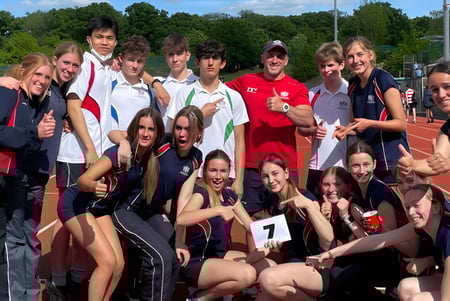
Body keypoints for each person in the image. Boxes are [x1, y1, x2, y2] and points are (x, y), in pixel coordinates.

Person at [57, 107, 164, 301]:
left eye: (151, 129)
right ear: (134, 129)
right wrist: (92, 186)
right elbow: (83, 180)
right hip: (76, 204)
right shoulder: (119, 153)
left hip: (99, 210)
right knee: (106, 261)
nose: (145, 133)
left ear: (157, 134)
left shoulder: (147, 158)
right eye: (141, 127)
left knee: (118, 265)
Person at [109, 105, 204, 300]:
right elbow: (114, 133)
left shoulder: (195, 158)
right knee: (160, 256)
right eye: (178, 128)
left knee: (174, 258)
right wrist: (124, 143)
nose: (182, 134)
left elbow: (184, 201)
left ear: (199, 133)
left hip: (151, 213)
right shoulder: (163, 141)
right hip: (126, 209)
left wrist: (179, 240)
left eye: (188, 129)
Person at [53, 15, 119, 291]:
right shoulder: (87, 65)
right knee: (66, 218)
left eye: (110, 37)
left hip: (94, 157)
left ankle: (79, 271)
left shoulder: (107, 68)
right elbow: (74, 105)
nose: (104, 42)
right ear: (89, 40)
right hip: (75, 155)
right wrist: (91, 149)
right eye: (99, 37)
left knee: (84, 214)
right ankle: (57, 276)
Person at [316, 183, 450, 301]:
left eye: (416, 205)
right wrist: (330, 254)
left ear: (436, 207)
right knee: (405, 287)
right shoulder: (422, 226)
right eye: (407, 207)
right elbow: (376, 240)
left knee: (417, 299)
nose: (411, 212)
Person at [226, 40, 314, 216]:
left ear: (286, 60)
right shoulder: (246, 81)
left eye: (280, 56)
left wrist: (285, 107)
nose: (275, 60)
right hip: (252, 168)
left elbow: (307, 121)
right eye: (270, 55)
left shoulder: (297, 87)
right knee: (253, 220)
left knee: (289, 220)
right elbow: (216, 90)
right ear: (262, 58)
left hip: (284, 167)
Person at [0, 53, 56, 300]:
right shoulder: (9, 93)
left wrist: (39, 134)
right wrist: (34, 133)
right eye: (38, 74)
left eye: (47, 77)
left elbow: (23, 141)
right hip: (3, 179)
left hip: (14, 180)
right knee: (6, 246)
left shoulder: (31, 102)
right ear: (24, 71)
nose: (43, 81)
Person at [177, 149, 264, 301]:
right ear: (204, 171)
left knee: (267, 265)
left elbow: (251, 226)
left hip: (221, 256)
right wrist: (217, 210)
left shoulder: (230, 196)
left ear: (229, 172)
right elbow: (182, 219)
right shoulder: (200, 194)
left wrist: (274, 236)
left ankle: (225, 292)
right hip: (198, 261)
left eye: (223, 171)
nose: (218, 177)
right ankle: (199, 298)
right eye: (213, 171)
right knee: (247, 274)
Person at [166, 39, 248, 198]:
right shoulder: (184, 93)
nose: (210, 63)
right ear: (197, 62)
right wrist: (200, 115)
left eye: (215, 58)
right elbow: (173, 132)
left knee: (220, 221)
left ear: (222, 63)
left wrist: (239, 179)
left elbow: (240, 141)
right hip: (191, 172)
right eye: (205, 58)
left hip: (223, 174)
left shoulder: (233, 97)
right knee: (189, 221)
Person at [327, 140, 409, 300]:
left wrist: (348, 218)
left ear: (374, 164)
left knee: (341, 277)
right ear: (348, 167)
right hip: (372, 249)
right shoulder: (357, 188)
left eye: (366, 164)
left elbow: (389, 241)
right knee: (336, 270)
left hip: (392, 258)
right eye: (356, 165)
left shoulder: (380, 194)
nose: (362, 170)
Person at [334, 36, 409, 184]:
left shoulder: (382, 79)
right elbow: (355, 123)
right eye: (350, 57)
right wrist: (346, 130)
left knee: (393, 205)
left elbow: (401, 123)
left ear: (371, 55)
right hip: (367, 162)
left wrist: (370, 123)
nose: (355, 60)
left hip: (391, 161)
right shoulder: (353, 85)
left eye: (360, 54)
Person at [297, 42, 351, 197]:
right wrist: (313, 130)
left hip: (345, 168)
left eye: (330, 65)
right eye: (322, 66)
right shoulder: (312, 95)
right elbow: (300, 129)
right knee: (316, 215)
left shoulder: (351, 92)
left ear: (341, 64)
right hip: (317, 167)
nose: (326, 70)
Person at [398, 62, 450, 177]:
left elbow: (446, 162)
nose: (441, 95)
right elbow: (437, 164)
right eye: (435, 89)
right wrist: (411, 164)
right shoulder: (446, 130)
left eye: (447, 87)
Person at [111, 35, 157, 131]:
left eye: (139, 61)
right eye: (131, 60)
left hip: (138, 145)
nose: (135, 66)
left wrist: (158, 85)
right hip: (111, 145)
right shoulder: (108, 83)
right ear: (120, 58)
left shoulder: (150, 90)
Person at [157, 33, 199, 132]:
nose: (175, 59)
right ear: (165, 57)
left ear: (188, 55)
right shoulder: (158, 83)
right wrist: (156, 84)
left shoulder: (199, 83)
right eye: (171, 54)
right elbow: (136, 71)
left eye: (179, 54)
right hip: (163, 144)